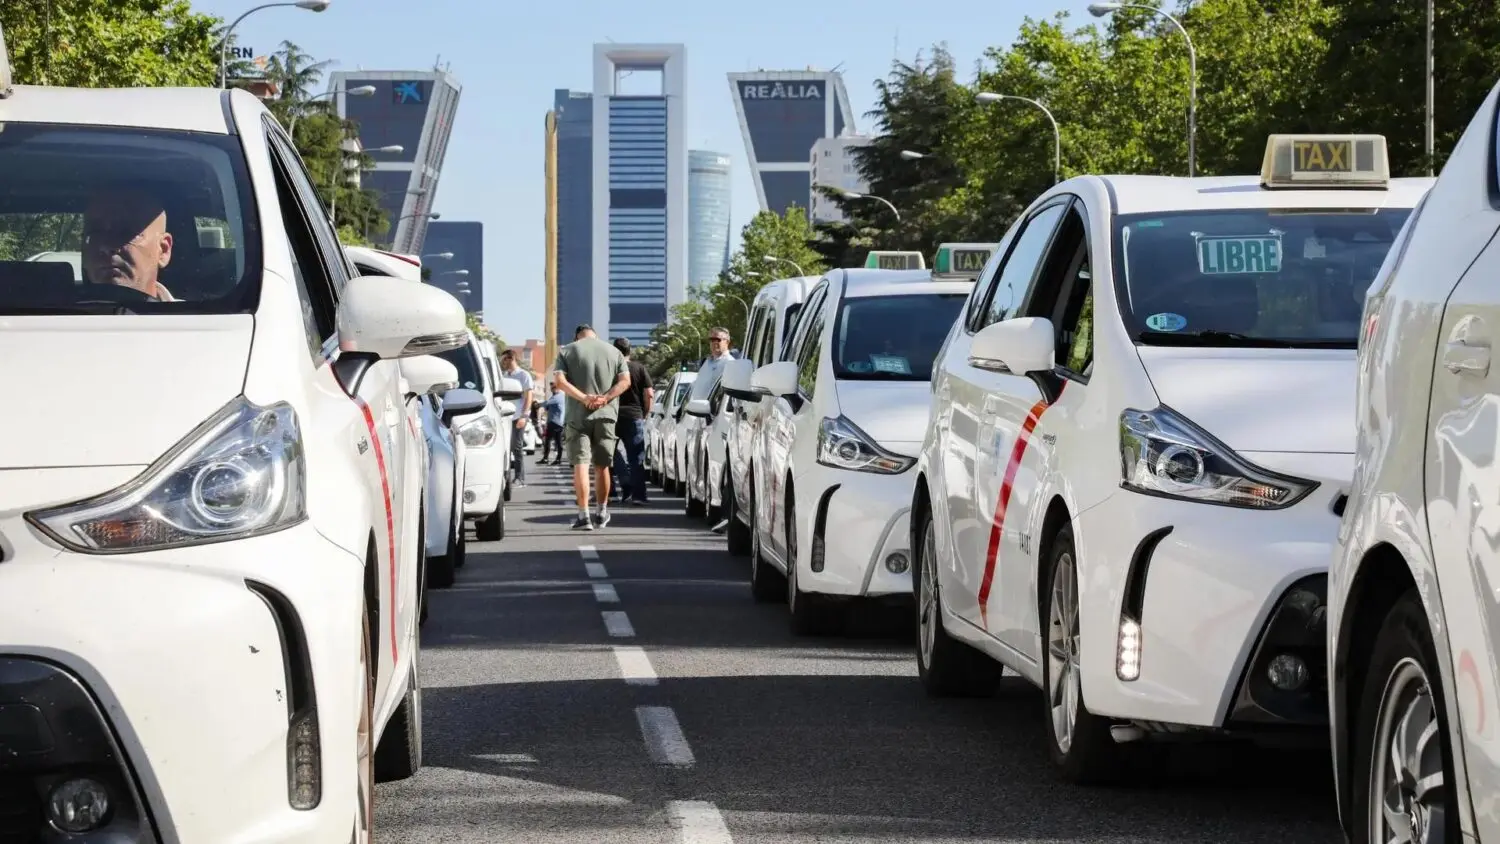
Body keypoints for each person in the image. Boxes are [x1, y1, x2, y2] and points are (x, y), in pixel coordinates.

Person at [552, 323, 630, 530]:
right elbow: (625, 382)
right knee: (602, 466)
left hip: (578, 416)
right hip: (606, 415)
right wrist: (605, 398)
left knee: (581, 465)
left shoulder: (567, 350)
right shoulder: (614, 352)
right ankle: (601, 512)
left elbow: (559, 381)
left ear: (577, 337)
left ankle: (583, 515)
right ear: (595, 336)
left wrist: (584, 398)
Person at [82, 185, 176, 301]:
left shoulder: (194, 318)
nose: (106, 245)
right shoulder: (60, 317)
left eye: (126, 232)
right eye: (95, 233)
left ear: (163, 250)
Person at [609, 337, 654, 506]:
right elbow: (649, 393)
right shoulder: (639, 368)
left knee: (609, 454)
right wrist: (645, 413)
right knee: (636, 458)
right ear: (630, 351)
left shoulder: (610, 369)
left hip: (611, 416)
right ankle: (638, 496)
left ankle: (611, 492)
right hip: (634, 416)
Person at [499, 350, 534, 489]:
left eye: (505, 360)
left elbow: (529, 397)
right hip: (505, 416)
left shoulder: (523, 375)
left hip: (518, 416)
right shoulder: (505, 376)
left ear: (511, 358)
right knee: (506, 447)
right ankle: (506, 477)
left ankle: (520, 478)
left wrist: (524, 416)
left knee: (517, 447)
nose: (503, 363)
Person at [540, 385, 565, 464]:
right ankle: (547, 458)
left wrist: (537, 404)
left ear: (559, 388)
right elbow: (548, 407)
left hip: (556, 422)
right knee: (551, 440)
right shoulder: (554, 396)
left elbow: (546, 403)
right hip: (554, 422)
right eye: (552, 388)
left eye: (555, 387)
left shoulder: (559, 396)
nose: (553, 389)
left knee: (555, 441)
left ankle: (556, 459)